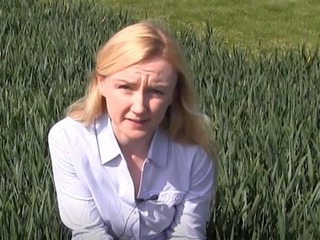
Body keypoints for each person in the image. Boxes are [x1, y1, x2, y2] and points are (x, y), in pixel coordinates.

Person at [48, 20, 217, 240]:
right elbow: (89, 233)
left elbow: (187, 235)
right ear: (102, 84)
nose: (139, 107)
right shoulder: (69, 140)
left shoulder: (194, 152)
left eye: (156, 91)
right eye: (126, 87)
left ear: (174, 94)